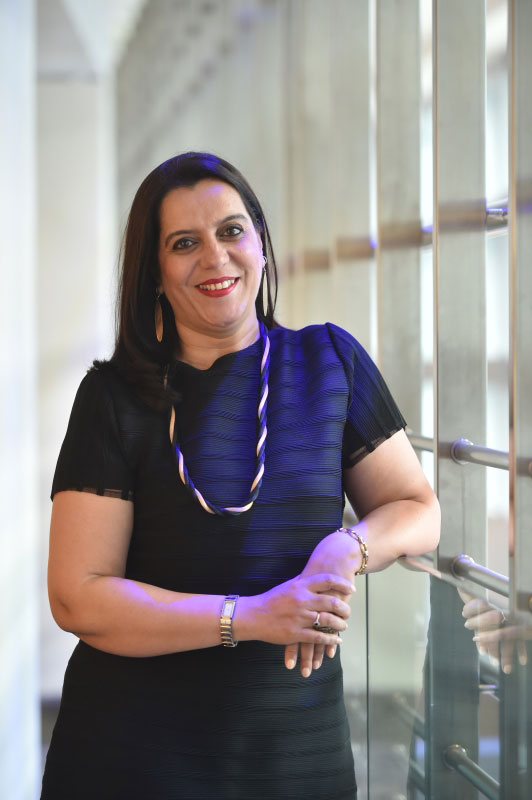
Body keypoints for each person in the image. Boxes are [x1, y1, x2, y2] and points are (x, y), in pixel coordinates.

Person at [41, 151, 440, 799]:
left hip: (295, 752)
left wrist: (346, 546)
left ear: (261, 243)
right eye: (184, 243)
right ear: (154, 273)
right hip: (135, 757)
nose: (215, 257)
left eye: (231, 231)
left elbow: (416, 507)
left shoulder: (330, 362)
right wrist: (251, 616)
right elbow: (76, 596)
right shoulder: (113, 399)